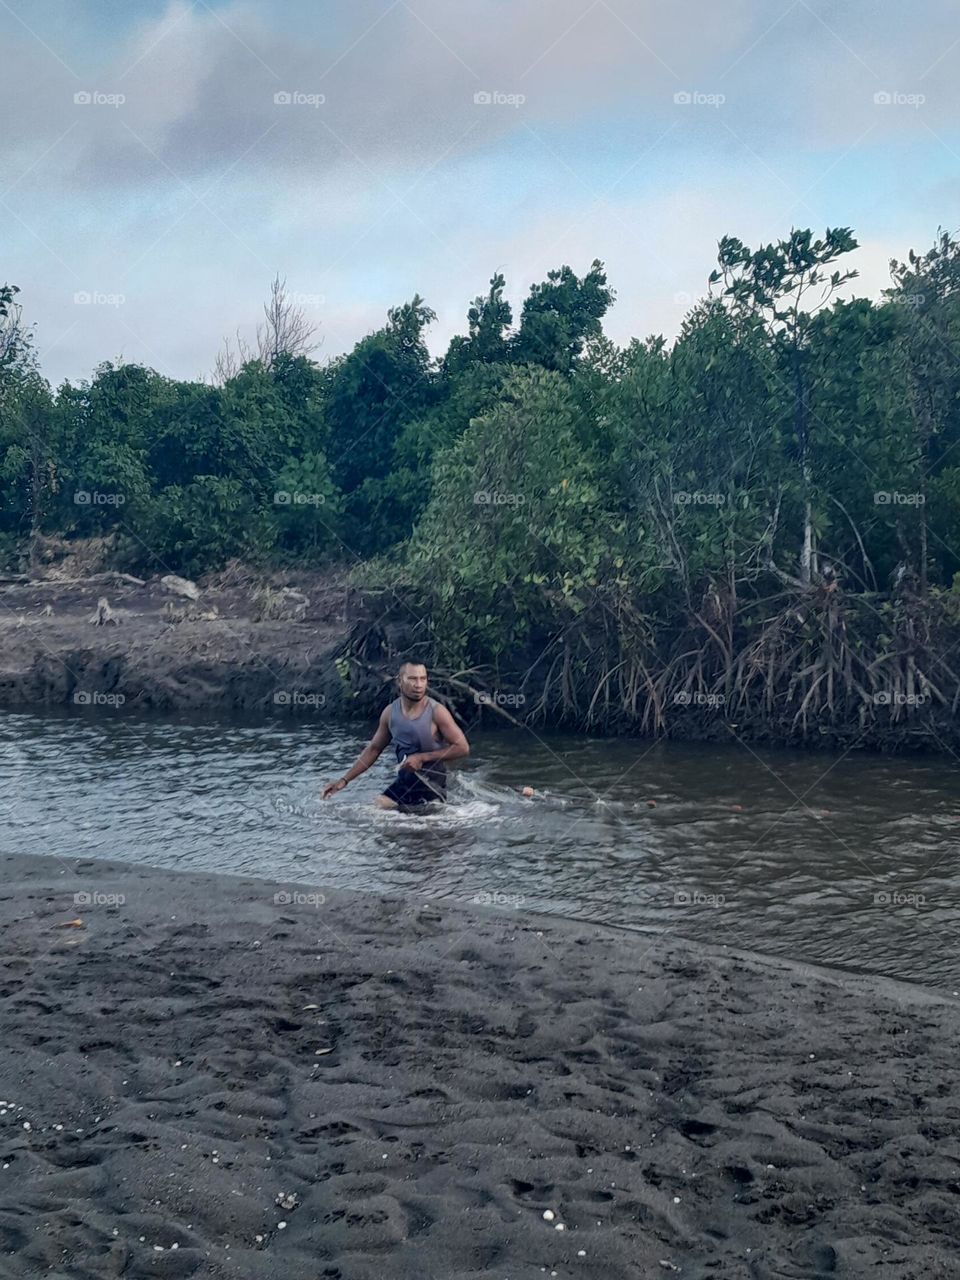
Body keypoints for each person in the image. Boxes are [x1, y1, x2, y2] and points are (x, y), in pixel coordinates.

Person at [321, 658, 470, 810]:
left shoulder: (437, 712)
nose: (418, 685)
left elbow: (462, 747)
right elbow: (374, 749)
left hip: (430, 787)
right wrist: (344, 780)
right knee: (378, 810)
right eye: (412, 679)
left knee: (419, 829)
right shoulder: (390, 713)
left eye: (422, 679)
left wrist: (422, 757)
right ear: (400, 681)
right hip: (404, 783)